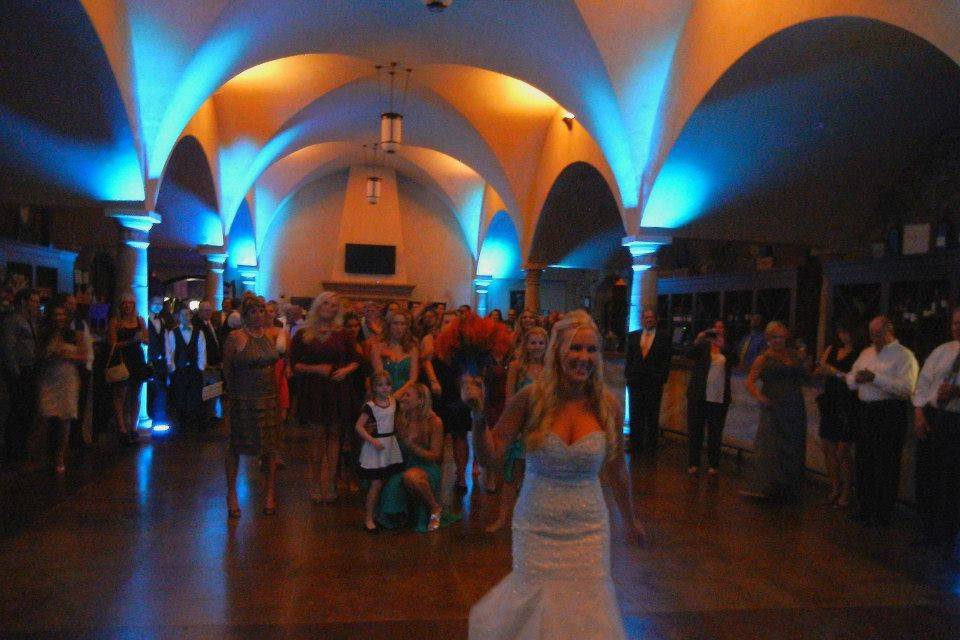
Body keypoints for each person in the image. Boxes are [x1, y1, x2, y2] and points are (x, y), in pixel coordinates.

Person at [468, 310, 643, 639]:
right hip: (537, 524)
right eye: (575, 348)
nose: (584, 357)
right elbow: (492, 458)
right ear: (557, 352)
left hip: (589, 527)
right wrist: (478, 419)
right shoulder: (529, 399)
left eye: (591, 350)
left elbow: (617, 467)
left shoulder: (608, 406)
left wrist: (630, 519)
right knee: (537, 610)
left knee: (585, 612)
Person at [845, 316, 918, 525]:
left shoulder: (905, 356)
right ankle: (865, 507)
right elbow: (851, 377)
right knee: (864, 460)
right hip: (865, 411)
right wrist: (856, 379)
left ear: (889, 330)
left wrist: (875, 378)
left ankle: (882, 512)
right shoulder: (866, 353)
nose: (874, 338)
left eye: (877, 334)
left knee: (885, 463)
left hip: (888, 413)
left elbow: (907, 389)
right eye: (871, 334)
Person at [290, 291, 359, 503]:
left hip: (337, 388)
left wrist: (346, 370)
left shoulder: (343, 334)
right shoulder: (303, 334)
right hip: (314, 389)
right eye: (327, 303)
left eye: (334, 304)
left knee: (335, 436)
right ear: (318, 305)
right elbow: (295, 365)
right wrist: (316, 369)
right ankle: (315, 483)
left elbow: (356, 359)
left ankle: (330, 483)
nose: (330, 307)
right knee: (316, 437)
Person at [222, 297, 280, 517]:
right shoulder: (236, 337)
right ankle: (231, 493)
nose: (258, 315)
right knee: (235, 445)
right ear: (245, 315)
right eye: (253, 312)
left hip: (268, 396)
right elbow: (227, 368)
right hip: (243, 397)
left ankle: (269, 493)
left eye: (261, 311)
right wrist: (232, 394)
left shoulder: (271, 335)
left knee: (270, 447)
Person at [486, 326, 547, 533]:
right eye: (533, 342)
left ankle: (537, 519)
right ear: (526, 344)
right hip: (521, 425)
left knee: (540, 475)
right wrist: (514, 426)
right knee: (512, 475)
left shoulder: (551, 369)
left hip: (543, 426)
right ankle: (503, 518)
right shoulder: (516, 366)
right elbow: (510, 399)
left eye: (541, 343)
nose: (537, 347)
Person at [742, 321, 809, 499]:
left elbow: (805, 376)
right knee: (771, 445)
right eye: (774, 337)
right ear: (768, 339)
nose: (778, 340)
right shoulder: (763, 358)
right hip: (773, 404)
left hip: (794, 404)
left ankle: (789, 487)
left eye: (781, 337)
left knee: (793, 443)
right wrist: (759, 396)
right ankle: (768, 486)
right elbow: (749, 381)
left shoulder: (795, 355)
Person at [913, 307, 960, 551]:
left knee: (950, 481)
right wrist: (919, 413)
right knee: (927, 477)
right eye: (954, 322)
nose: (957, 327)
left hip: (955, 422)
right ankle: (925, 531)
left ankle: (945, 536)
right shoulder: (942, 351)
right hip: (933, 417)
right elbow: (923, 384)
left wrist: (956, 391)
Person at [379, 383, 452, 532]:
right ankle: (400, 515)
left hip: (426, 466)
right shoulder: (400, 419)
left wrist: (413, 447)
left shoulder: (434, 422)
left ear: (420, 400)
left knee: (411, 477)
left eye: (408, 395)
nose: (403, 398)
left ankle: (434, 507)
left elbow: (435, 455)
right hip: (405, 463)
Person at [37, 302, 87, 474]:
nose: (59, 318)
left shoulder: (72, 334)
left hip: (67, 377)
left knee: (65, 418)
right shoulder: (45, 335)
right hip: (49, 377)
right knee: (46, 415)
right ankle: (44, 455)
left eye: (62, 314)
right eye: (56, 314)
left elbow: (84, 355)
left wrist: (67, 353)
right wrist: (50, 353)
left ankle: (60, 457)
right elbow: (39, 356)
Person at [813, 322, 858, 508]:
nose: (843, 335)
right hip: (830, 399)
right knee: (827, 447)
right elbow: (818, 372)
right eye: (840, 331)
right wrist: (818, 370)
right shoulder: (832, 349)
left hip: (848, 402)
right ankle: (834, 488)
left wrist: (835, 372)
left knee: (842, 451)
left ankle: (847, 492)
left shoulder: (860, 353)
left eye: (846, 331)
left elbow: (854, 379)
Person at [355, 371, 404, 532]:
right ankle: (369, 517)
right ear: (375, 388)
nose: (384, 388)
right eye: (380, 385)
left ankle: (380, 513)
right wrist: (372, 440)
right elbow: (359, 426)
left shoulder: (393, 402)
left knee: (385, 481)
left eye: (387, 385)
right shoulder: (371, 406)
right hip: (377, 446)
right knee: (376, 483)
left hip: (390, 444)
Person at [684, 322, 732, 475]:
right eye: (715, 328)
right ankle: (693, 463)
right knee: (695, 430)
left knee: (715, 432)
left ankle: (714, 465)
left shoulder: (726, 347)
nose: (718, 330)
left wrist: (723, 346)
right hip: (698, 395)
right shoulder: (703, 346)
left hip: (718, 397)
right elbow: (688, 354)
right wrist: (699, 339)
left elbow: (736, 360)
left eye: (721, 328)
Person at [433, 310, 473, 492]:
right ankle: (436, 474)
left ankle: (461, 476)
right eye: (446, 321)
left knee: (460, 436)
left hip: (458, 396)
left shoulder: (464, 346)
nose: (449, 324)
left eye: (452, 321)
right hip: (439, 396)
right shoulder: (433, 344)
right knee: (437, 437)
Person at [624, 308, 673, 453]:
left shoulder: (664, 337)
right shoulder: (633, 336)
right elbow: (629, 357)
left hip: (654, 383)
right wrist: (629, 376)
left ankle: (651, 447)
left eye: (651, 317)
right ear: (642, 319)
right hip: (635, 383)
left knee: (652, 416)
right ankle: (636, 445)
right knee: (635, 415)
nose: (649, 320)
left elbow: (666, 359)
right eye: (646, 317)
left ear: (656, 319)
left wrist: (661, 379)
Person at [1, 288, 41, 468]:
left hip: (31, 369)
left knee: (28, 409)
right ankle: (12, 449)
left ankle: (21, 446)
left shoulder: (31, 321)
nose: (37, 304)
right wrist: (15, 372)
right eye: (33, 301)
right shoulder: (13, 320)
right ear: (24, 301)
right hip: (21, 370)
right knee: (17, 409)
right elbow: (8, 348)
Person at [107, 292, 150, 446]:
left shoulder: (140, 320)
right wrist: (133, 340)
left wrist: (142, 338)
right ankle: (122, 428)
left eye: (129, 303)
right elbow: (112, 344)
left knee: (136, 394)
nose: (127, 306)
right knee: (121, 394)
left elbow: (146, 340)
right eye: (124, 303)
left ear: (133, 305)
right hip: (122, 359)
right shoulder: (115, 322)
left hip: (137, 359)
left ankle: (133, 427)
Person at [165, 308, 206, 435]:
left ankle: (194, 425)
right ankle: (182, 425)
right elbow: (170, 351)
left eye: (187, 314)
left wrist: (200, 367)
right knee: (180, 397)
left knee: (195, 397)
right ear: (178, 316)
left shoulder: (199, 333)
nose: (185, 317)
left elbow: (202, 351)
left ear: (191, 316)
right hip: (180, 370)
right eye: (183, 314)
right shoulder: (173, 333)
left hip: (194, 369)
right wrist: (172, 368)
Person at [63, 294, 94, 446]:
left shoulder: (79, 322)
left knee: (79, 404)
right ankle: (73, 437)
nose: (73, 306)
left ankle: (74, 436)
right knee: (75, 403)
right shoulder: (75, 324)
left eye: (74, 303)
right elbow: (82, 346)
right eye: (70, 303)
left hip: (81, 366)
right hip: (76, 367)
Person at [370, 309, 419, 397]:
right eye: (395, 323)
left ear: (406, 327)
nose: (398, 327)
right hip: (384, 394)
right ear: (389, 326)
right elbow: (380, 377)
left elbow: (413, 378)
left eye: (402, 324)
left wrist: (398, 395)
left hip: (406, 396)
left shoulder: (412, 349)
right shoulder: (377, 348)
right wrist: (390, 397)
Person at [194, 300, 222, 432]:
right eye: (205, 311)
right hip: (206, 365)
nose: (208, 313)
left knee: (213, 391)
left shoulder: (211, 324)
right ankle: (205, 418)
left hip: (214, 364)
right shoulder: (197, 326)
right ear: (200, 312)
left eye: (210, 310)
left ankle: (212, 416)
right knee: (205, 392)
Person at [146, 295, 172, 426]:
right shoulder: (145, 320)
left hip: (161, 362)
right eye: (155, 303)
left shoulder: (161, 321)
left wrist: (168, 361)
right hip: (149, 361)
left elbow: (166, 343)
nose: (158, 306)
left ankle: (159, 419)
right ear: (149, 303)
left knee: (161, 390)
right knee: (150, 390)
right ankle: (150, 417)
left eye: (160, 304)